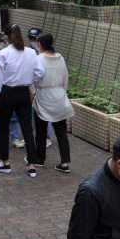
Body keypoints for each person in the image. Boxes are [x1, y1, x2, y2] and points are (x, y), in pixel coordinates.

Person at [0, 24, 44, 178]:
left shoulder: (2, 53)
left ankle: (5, 163)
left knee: (3, 127)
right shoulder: (31, 52)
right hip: (24, 92)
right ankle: (32, 165)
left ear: (6, 37)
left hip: (7, 93)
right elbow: (40, 72)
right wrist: (31, 82)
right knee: (27, 128)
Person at [31, 32, 75, 173]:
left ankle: (40, 158)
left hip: (44, 94)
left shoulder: (39, 59)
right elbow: (65, 77)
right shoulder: (60, 58)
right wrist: (62, 92)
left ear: (40, 44)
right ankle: (65, 163)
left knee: (41, 129)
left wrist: (32, 91)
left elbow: (34, 78)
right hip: (59, 95)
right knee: (61, 131)